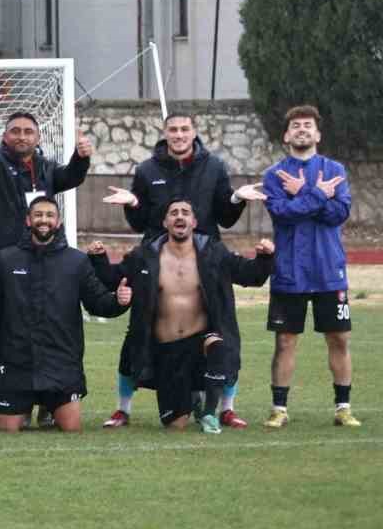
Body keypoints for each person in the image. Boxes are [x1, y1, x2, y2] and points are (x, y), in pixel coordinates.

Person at [100, 111, 261, 427]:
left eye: (184, 129)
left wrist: (237, 199)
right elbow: (139, 223)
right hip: (157, 264)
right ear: (165, 133)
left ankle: (225, 408)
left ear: (193, 132)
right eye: (173, 129)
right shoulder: (147, 170)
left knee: (222, 332)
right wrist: (133, 203)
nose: (179, 134)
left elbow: (225, 218)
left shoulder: (213, 166)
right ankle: (124, 409)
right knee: (139, 334)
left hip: (206, 265)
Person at [0, 74, 92, 428]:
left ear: (37, 137)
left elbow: (71, 177)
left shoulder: (47, 169)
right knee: (0, 334)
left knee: (51, 329)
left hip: (47, 261)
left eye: (28, 131)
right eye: (15, 131)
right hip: (8, 264)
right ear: (5, 136)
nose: (22, 136)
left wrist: (80, 158)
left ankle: (51, 401)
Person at [91, 199, 274, 433]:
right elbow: (112, 278)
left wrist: (265, 258)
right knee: (175, 425)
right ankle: (189, 401)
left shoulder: (213, 252)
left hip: (200, 343)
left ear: (194, 222)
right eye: (174, 213)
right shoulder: (145, 255)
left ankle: (211, 413)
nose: (180, 216)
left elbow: (251, 276)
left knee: (219, 344)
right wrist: (98, 258)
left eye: (185, 212)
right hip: (166, 351)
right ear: (165, 222)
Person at [0, 196, 130, 431]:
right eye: (38, 215)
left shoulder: (77, 261)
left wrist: (119, 302)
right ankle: (24, 407)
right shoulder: (6, 259)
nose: (44, 220)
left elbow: (98, 303)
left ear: (58, 222)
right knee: (7, 430)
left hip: (61, 364)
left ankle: (50, 408)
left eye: (50, 215)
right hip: (17, 364)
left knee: (71, 429)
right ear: (28, 220)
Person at [256, 105, 358, 428]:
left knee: (339, 339)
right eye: (296, 125)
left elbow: (338, 214)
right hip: (289, 272)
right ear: (286, 135)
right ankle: (279, 410)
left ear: (318, 134)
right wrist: (316, 195)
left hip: (329, 270)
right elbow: (282, 215)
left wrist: (303, 194)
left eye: (308, 125)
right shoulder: (273, 176)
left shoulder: (335, 170)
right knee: (285, 340)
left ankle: (343, 407)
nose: (302, 129)